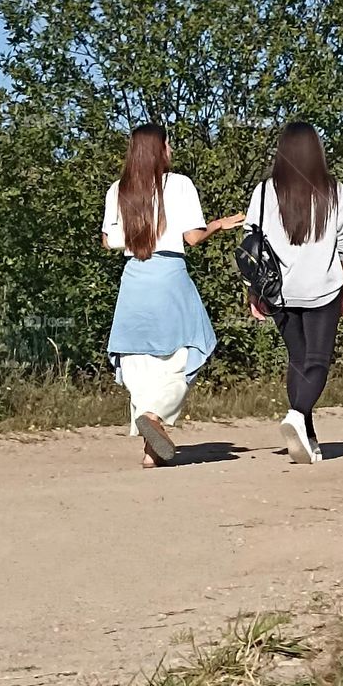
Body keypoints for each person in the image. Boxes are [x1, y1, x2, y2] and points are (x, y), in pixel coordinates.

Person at [103, 123, 243, 468]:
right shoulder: (179, 184)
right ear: (159, 149)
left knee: (139, 363)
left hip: (134, 277)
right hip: (169, 275)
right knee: (190, 350)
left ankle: (151, 452)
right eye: (168, 145)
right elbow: (193, 237)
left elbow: (109, 240)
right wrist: (218, 224)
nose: (171, 150)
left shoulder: (118, 190)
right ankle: (154, 416)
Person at [244, 122, 343, 465]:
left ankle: (307, 439)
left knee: (298, 360)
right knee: (317, 361)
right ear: (316, 151)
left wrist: (253, 291)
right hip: (322, 289)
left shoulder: (264, 192)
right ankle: (297, 414)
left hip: (279, 292)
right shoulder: (334, 191)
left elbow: (251, 244)